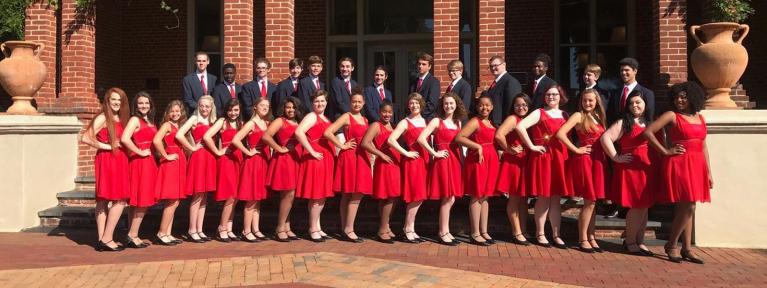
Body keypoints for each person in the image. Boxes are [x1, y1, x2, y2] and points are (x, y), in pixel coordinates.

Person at [644, 82, 710, 264]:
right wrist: (665, 151)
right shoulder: (672, 115)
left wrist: (709, 172)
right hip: (680, 163)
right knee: (689, 205)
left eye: (683, 97)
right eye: (676, 97)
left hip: (698, 164)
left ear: (692, 98)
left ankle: (687, 248)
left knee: (688, 206)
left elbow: (703, 145)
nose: (679, 100)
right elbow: (648, 132)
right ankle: (672, 244)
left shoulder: (700, 117)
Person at [600, 90, 655, 256]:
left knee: (645, 207)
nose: (634, 106)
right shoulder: (624, 122)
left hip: (647, 168)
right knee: (637, 207)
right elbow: (605, 138)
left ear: (645, 103)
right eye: (631, 103)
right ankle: (630, 241)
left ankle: (640, 240)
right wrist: (616, 157)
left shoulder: (650, 121)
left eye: (638, 102)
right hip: (632, 168)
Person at [515, 84, 571, 249]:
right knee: (544, 196)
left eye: (554, 94)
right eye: (548, 94)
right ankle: (540, 233)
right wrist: (532, 146)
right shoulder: (539, 112)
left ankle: (556, 234)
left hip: (560, 157)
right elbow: (520, 126)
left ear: (561, 96)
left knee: (556, 198)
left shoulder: (565, 114)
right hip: (544, 157)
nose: (551, 97)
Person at [555, 89, 608, 253]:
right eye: (585, 100)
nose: (588, 103)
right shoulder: (578, 116)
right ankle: (582, 238)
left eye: (591, 100)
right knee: (589, 200)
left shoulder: (599, 117)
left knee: (593, 202)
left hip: (598, 161)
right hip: (585, 160)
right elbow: (560, 134)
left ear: (597, 101)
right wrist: (576, 150)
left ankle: (591, 237)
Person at [80, 87, 130, 252]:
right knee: (117, 199)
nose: (116, 103)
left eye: (119, 100)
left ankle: (102, 240)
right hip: (108, 160)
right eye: (113, 99)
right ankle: (107, 238)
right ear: (107, 101)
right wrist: (108, 146)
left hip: (120, 159)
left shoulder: (120, 118)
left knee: (107, 200)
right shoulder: (103, 117)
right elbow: (86, 137)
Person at [418, 93, 466, 246]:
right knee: (447, 197)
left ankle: (446, 230)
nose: (449, 106)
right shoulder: (437, 121)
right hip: (443, 161)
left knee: (451, 197)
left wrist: (463, 163)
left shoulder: (458, 123)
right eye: (446, 104)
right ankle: (442, 231)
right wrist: (434, 153)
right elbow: (421, 138)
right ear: (442, 105)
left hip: (455, 162)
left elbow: (460, 145)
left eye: (451, 103)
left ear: (456, 104)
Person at [324, 89, 371, 243]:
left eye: (359, 101)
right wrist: (342, 145)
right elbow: (328, 132)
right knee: (350, 192)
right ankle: (349, 229)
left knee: (354, 193)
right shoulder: (346, 116)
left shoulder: (365, 120)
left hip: (362, 157)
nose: (356, 104)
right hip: (350, 156)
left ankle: (346, 228)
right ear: (350, 103)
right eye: (354, 101)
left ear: (363, 103)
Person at [455, 95, 501, 246]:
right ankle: (475, 233)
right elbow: (459, 137)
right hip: (478, 161)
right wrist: (477, 146)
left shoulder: (490, 122)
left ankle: (484, 231)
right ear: (477, 107)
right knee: (477, 195)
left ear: (492, 107)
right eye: (481, 105)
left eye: (487, 105)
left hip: (491, 161)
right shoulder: (475, 121)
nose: (484, 108)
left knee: (486, 196)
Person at [387, 93, 429, 243]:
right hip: (413, 161)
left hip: (424, 161)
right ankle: (407, 228)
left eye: (417, 103)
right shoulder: (405, 122)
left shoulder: (425, 121)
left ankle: (410, 227)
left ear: (421, 105)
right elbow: (391, 139)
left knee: (421, 196)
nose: (414, 106)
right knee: (415, 196)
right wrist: (406, 152)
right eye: (411, 103)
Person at [295, 90, 335, 242]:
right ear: (312, 103)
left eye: (322, 101)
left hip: (326, 159)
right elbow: (299, 132)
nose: (320, 104)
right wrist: (311, 150)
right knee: (316, 195)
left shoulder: (325, 118)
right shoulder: (312, 116)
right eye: (317, 101)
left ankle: (317, 225)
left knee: (322, 195)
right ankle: (312, 228)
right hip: (316, 158)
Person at [176, 95, 217, 243]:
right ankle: (191, 229)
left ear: (211, 107)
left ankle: (200, 229)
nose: (204, 109)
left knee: (204, 196)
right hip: (199, 158)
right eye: (202, 106)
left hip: (210, 158)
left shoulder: (213, 121)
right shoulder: (194, 120)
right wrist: (192, 148)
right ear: (198, 106)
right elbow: (179, 135)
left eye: (207, 106)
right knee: (197, 195)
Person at [262, 96, 304, 242]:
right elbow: (266, 137)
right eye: (288, 107)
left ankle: (287, 226)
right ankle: (279, 228)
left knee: (290, 195)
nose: (291, 110)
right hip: (284, 160)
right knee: (288, 194)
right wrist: (279, 148)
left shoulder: (299, 122)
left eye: (293, 107)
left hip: (296, 160)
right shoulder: (280, 121)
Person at [120, 91, 158, 249]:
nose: (144, 106)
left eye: (147, 103)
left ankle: (131, 233)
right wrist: (139, 151)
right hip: (140, 162)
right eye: (141, 103)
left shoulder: (150, 120)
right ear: (136, 105)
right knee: (142, 200)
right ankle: (133, 235)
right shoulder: (135, 119)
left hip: (149, 162)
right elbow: (124, 138)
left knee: (139, 200)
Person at [232, 98, 273, 243]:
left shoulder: (267, 123)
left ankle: (256, 229)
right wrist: (248, 152)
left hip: (264, 160)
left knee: (258, 198)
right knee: (251, 198)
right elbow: (236, 139)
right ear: (255, 107)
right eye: (262, 105)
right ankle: (246, 230)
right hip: (253, 162)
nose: (265, 108)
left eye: (267, 106)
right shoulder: (251, 123)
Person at [495, 93, 533, 246]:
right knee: (515, 198)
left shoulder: (527, 119)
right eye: (518, 105)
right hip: (514, 161)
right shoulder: (512, 119)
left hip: (524, 160)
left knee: (523, 199)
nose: (521, 107)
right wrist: (508, 149)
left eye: (524, 105)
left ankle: (523, 230)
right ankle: (516, 232)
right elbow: (499, 135)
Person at [203, 99, 243, 242]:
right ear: (226, 110)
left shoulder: (240, 123)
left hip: (238, 159)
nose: (233, 113)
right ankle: (221, 227)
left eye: (236, 110)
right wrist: (218, 152)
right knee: (230, 195)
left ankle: (229, 228)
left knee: (236, 196)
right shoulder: (222, 121)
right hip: (226, 160)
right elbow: (206, 137)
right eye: (230, 110)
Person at [360, 100, 400, 244]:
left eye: (390, 112)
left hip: (395, 164)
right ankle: (382, 229)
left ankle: (386, 226)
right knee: (387, 196)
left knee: (394, 197)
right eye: (384, 111)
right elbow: (365, 142)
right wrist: (380, 154)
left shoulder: (393, 126)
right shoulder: (376, 125)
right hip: (384, 164)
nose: (387, 114)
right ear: (379, 112)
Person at [152, 100, 188, 246]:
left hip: (180, 162)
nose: (175, 114)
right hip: (171, 163)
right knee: (172, 200)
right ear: (168, 112)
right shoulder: (167, 125)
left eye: (177, 111)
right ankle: (161, 233)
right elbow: (156, 140)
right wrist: (165, 155)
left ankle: (168, 233)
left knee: (175, 200)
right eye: (172, 111)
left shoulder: (179, 125)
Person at [607, 57, 655, 124]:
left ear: (635, 71)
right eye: (621, 70)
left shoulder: (647, 93)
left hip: (636, 131)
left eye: (627, 70)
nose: (623, 73)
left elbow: (649, 118)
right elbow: (610, 115)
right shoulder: (615, 93)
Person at [482, 55, 523, 125]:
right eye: (491, 66)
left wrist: (505, 126)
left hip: (501, 124)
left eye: (495, 65)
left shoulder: (510, 82)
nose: (493, 68)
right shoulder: (496, 82)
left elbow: (511, 106)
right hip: (493, 123)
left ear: (504, 64)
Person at [409, 53, 440, 119]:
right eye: (419, 64)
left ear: (429, 66)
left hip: (427, 119)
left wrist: (418, 115)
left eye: (424, 64)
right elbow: (409, 100)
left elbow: (431, 104)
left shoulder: (434, 82)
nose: (420, 66)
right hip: (413, 119)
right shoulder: (414, 82)